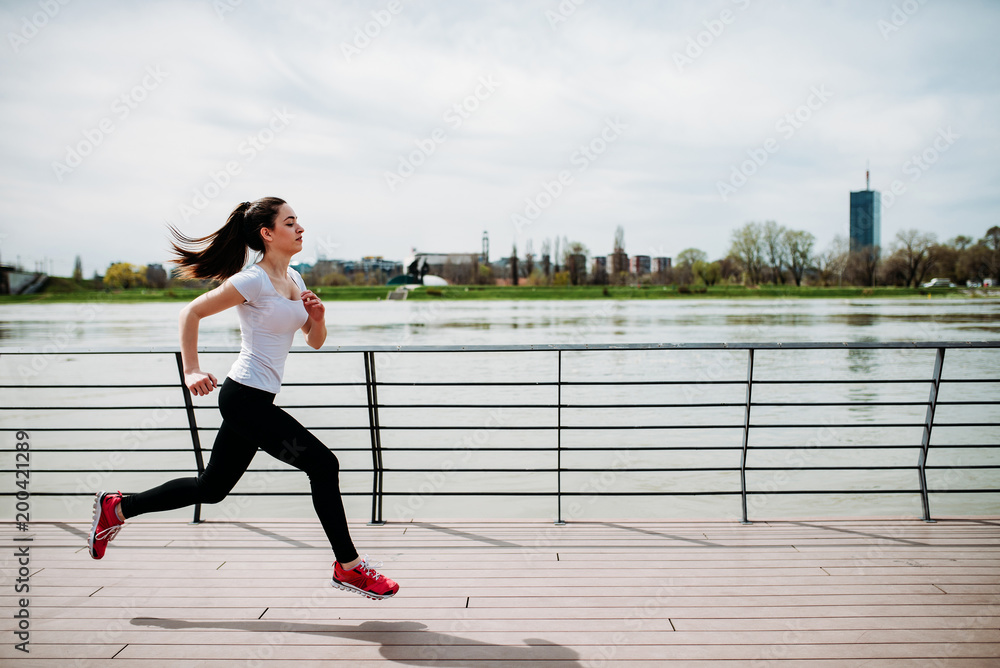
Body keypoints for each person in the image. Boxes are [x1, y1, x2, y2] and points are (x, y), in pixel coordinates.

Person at [87, 197, 398, 600]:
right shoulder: (252, 280)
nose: (300, 227)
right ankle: (349, 567)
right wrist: (192, 370)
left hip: (256, 402)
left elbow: (315, 342)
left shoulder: (296, 279)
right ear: (268, 234)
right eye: (290, 222)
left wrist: (318, 319)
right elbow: (191, 313)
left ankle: (118, 507)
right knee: (324, 465)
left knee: (212, 488)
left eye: (298, 221)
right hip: (243, 398)